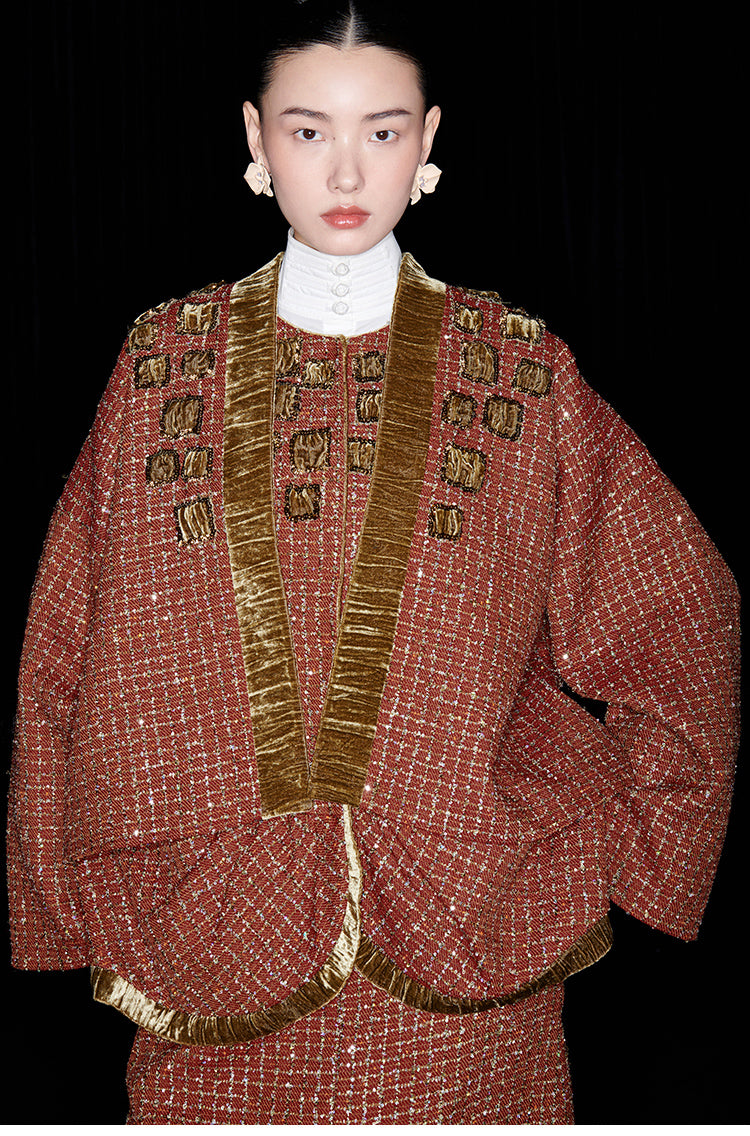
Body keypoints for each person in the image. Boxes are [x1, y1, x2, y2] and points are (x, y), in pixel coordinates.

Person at [7, 0, 740, 1124]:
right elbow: (66, 636)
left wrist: (645, 847)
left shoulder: (518, 371)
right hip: (207, 927)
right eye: (308, 131)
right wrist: (56, 887)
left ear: (429, 139)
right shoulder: (164, 362)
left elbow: (675, 604)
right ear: (254, 139)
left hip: (474, 923)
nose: (346, 169)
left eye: (383, 130)